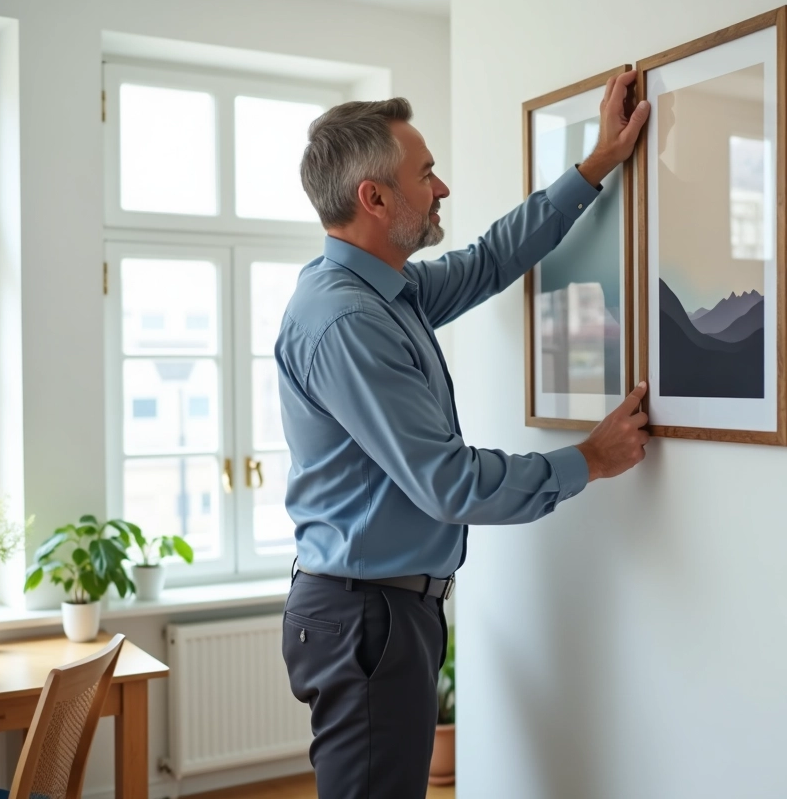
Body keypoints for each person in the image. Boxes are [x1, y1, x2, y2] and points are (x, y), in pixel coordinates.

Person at [276, 70, 652, 799]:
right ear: (374, 198)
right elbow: (448, 483)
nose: (441, 188)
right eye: (425, 175)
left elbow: (487, 262)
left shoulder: (385, 292)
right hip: (367, 616)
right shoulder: (349, 320)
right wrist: (589, 460)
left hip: (381, 610)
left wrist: (598, 162)